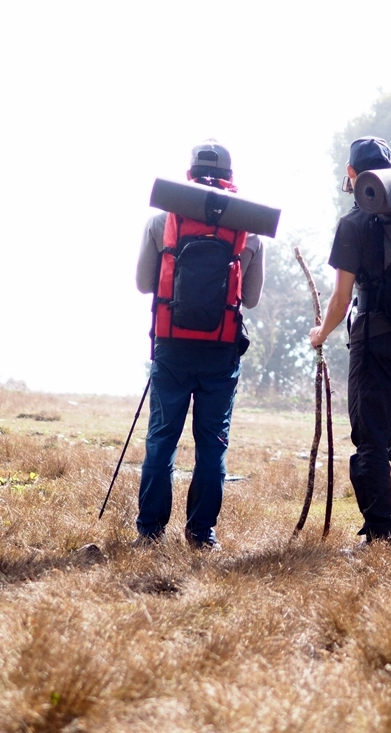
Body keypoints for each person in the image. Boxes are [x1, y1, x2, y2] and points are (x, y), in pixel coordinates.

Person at [134, 139, 265, 548]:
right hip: (220, 350)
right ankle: (202, 533)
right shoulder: (249, 229)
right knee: (212, 444)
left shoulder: (161, 222)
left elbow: (142, 284)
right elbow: (252, 299)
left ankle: (151, 532)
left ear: (189, 175)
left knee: (161, 439)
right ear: (230, 177)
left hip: (172, 347)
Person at [308, 136, 391, 546]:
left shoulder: (354, 224)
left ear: (352, 175)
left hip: (374, 342)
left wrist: (320, 334)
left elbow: (342, 298)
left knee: (372, 440)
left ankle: (379, 533)